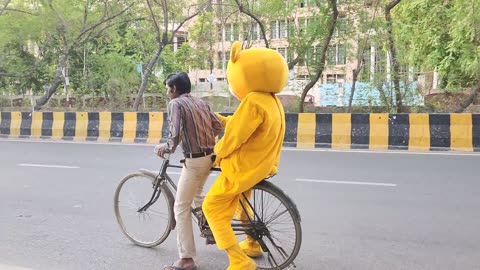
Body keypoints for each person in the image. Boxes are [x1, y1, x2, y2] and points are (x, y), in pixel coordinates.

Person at [202, 41, 288, 270]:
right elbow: (246, 127)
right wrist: (221, 119)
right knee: (242, 206)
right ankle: (252, 243)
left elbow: (234, 138)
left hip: (243, 168)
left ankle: (239, 261)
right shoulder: (272, 101)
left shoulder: (252, 101)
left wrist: (216, 154)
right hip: (261, 166)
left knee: (211, 207)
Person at [155, 72, 223, 270]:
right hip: (210, 156)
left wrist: (164, 147)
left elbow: (174, 136)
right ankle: (211, 229)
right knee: (197, 195)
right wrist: (203, 138)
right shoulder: (200, 102)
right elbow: (217, 125)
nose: (167, 93)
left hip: (195, 162)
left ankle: (186, 259)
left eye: (168, 89)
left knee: (180, 207)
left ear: (174, 89)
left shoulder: (176, 104)